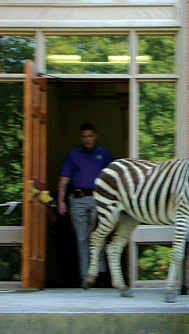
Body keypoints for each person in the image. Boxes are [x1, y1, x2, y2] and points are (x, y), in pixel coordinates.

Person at [57, 123, 114, 286]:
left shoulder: (104, 154)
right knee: (82, 238)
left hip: (99, 200)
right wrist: (61, 201)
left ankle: (101, 275)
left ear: (95, 136)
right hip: (77, 199)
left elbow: (113, 178)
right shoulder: (73, 155)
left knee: (99, 236)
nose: (87, 139)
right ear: (80, 137)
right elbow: (64, 180)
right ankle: (85, 277)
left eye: (90, 136)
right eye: (84, 136)